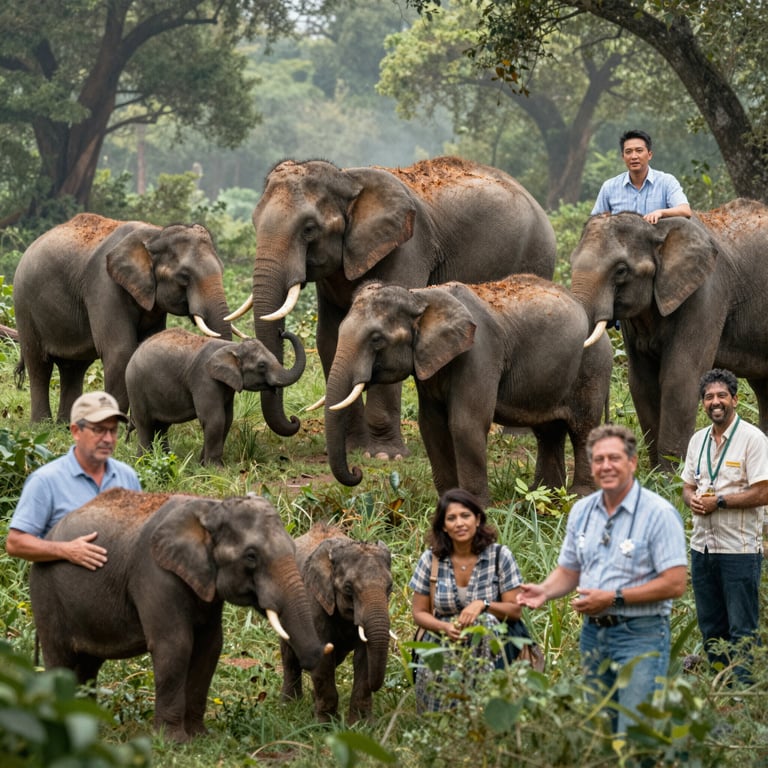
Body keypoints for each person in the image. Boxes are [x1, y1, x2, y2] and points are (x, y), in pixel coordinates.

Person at [517, 425, 687, 734]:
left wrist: (614, 598)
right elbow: (570, 570)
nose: (605, 466)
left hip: (641, 635)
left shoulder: (658, 513)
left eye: (614, 458)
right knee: (601, 731)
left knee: (635, 731)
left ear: (632, 463)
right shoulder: (582, 511)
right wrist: (544, 590)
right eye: (597, 460)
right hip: (593, 637)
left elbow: (675, 583)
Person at [681, 369, 768, 682]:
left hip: (739, 550)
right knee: (711, 624)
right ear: (702, 403)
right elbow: (687, 486)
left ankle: (743, 693)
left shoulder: (753, 440)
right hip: (702, 547)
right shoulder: (697, 441)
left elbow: (763, 491)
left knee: (741, 627)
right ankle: (720, 687)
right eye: (708, 397)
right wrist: (691, 499)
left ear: (735, 399)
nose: (715, 402)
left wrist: (720, 502)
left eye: (721, 396)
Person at [409, 488, 524, 713]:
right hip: (443, 635)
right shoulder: (430, 559)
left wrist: (484, 605)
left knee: (485, 626)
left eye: (465, 516)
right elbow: (419, 613)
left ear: (478, 519)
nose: (459, 523)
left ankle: (487, 707)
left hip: (491, 638)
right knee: (437, 651)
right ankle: (441, 717)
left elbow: (515, 610)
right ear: (443, 525)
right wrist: (443, 627)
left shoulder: (500, 556)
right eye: (451, 518)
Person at [6, 391, 141, 569]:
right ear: (76, 431)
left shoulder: (127, 476)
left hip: (118, 588)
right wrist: (66, 550)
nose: (108, 439)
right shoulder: (46, 481)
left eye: (113, 430)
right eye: (99, 430)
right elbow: (15, 543)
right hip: (64, 592)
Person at [592, 129, 692, 224]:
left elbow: (685, 211)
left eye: (639, 150)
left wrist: (660, 213)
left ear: (649, 155)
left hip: (658, 241)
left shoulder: (666, 182)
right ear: (623, 157)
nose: (634, 156)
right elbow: (594, 221)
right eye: (628, 152)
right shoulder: (609, 187)